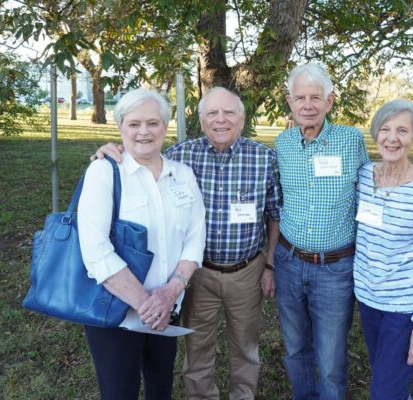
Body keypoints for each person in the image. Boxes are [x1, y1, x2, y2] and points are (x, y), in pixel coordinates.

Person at [94, 87, 282, 399]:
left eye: (229, 113)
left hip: (247, 270)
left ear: (243, 117)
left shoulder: (265, 158)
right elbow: (139, 155)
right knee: (198, 344)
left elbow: (274, 215)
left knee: (245, 344)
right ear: (201, 119)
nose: (220, 120)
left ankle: (243, 395)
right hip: (197, 272)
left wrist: (270, 264)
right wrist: (109, 150)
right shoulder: (179, 156)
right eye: (212, 113)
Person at [78, 88, 206, 399]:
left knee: (160, 386)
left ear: (166, 126)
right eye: (134, 123)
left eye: (153, 122)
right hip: (117, 312)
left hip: (167, 307)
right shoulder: (104, 172)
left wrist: (168, 295)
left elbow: (194, 239)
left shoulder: (183, 175)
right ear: (120, 126)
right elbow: (96, 251)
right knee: (119, 392)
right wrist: (147, 305)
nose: (144, 132)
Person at [274, 63, 369, 399]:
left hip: (335, 268)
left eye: (316, 97)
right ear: (290, 101)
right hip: (288, 262)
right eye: (300, 97)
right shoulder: (283, 143)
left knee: (330, 358)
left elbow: (370, 188)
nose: (308, 104)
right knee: (295, 348)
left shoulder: (351, 140)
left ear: (329, 102)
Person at [354, 99, 413, 400]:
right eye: (385, 129)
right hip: (367, 299)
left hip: (404, 307)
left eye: (402, 130)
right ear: (375, 133)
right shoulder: (363, 177)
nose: (392, 138)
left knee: (383, 391)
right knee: (388, 377)